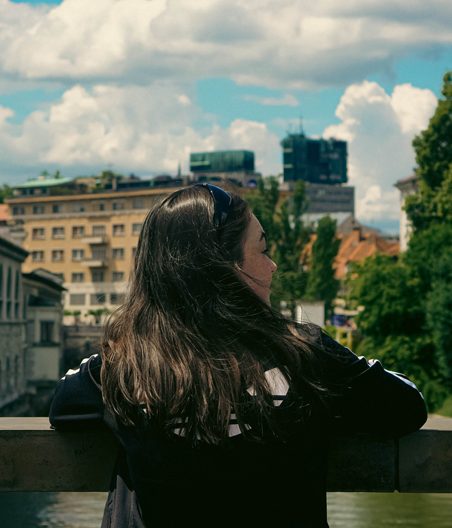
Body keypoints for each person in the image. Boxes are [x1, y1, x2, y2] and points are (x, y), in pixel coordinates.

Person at [49, 184, 427, 528]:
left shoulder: (125, 363)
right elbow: (408, 405)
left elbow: (63, 408)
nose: (273, 265)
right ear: (226, 272)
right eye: (262, 250)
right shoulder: (305, 352)